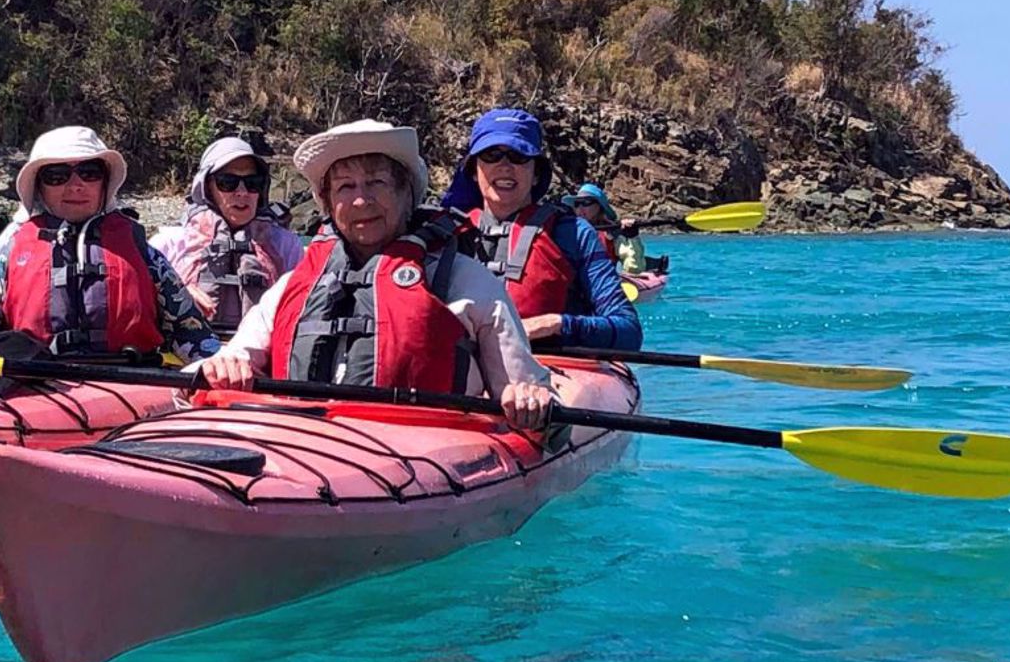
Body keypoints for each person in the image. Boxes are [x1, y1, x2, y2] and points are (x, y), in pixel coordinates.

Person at [197, 119, 559, 430]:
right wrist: (225, 366)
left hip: (422, 460)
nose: (360, 201)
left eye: (376, 184)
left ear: (407, 193)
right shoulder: (295, 285)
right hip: (301, 449)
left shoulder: (468, 284)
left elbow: (530, 396)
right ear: (328, 204)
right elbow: (235, 358)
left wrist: (527, 399)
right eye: (345, 187)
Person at [0, 125, 221, 363]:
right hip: (34, 381)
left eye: (89, 173)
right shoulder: (10, 254)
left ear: (104, 183)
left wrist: (222, 367)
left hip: (133, 381)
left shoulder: (144, 254)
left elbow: (193, 336)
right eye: (57, 175)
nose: (76, 186)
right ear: (39, 187)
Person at [440, 108, 642, 351]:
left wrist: (555, 324)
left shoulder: (573, 234)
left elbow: (629, 331)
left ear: (536, 174)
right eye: (491, 154)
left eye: (519, 156)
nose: (505, 165)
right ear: (473, 170)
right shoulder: (444, 233)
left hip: (548, 370)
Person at [149, 135, 307, 329]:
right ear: (207, 187)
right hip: (187, 355)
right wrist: (176, 298)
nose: (242, 192)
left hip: (256, 354)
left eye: (253, 182)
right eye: (227, 182)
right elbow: (139, 309)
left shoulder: (286, 246)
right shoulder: (167, 245)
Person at [571, 181, 648, 275]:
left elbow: (635, 269)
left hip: (602, 283)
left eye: (586, 202)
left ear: (599, 206)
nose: (580, 208)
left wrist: (632, 237)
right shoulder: (567, 230)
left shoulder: (612, 233)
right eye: (577, 203)